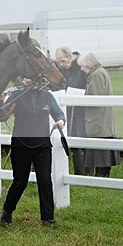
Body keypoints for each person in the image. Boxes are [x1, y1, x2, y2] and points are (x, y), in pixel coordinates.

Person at [0, 76, 66, 227]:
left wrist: (60, 121)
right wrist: (0, 100)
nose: (30, 80)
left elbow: (59, 114)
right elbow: (2, 116)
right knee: (20, 182)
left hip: (42, 145)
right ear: (22, 79)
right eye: (26, 77)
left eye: (32, 77)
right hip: (21, 145)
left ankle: (48, 218)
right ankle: (7, 212)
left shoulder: (47, 96)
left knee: (45, 181)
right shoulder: (16, 95)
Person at [78, 52, 120, 177]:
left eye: (83, 65)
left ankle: (101, 177)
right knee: (102, 152)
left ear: (90, 64)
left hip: (98, 120)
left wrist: (80, 98)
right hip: (102, 120)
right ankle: (102, 176)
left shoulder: (96, 75)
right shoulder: (100, 72)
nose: (81, 68)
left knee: (101, 154)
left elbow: (95, 98)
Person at [55, 46, 89, 175]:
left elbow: (85, 85)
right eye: (59, 62)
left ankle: (85, 171)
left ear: (71, 56)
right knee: (72, 140)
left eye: (63, 61)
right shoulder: (64, 69)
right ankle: (78, 172)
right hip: (68, 110)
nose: (61, 64)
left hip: (81, 110)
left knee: (81, 140)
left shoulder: (81, 67)